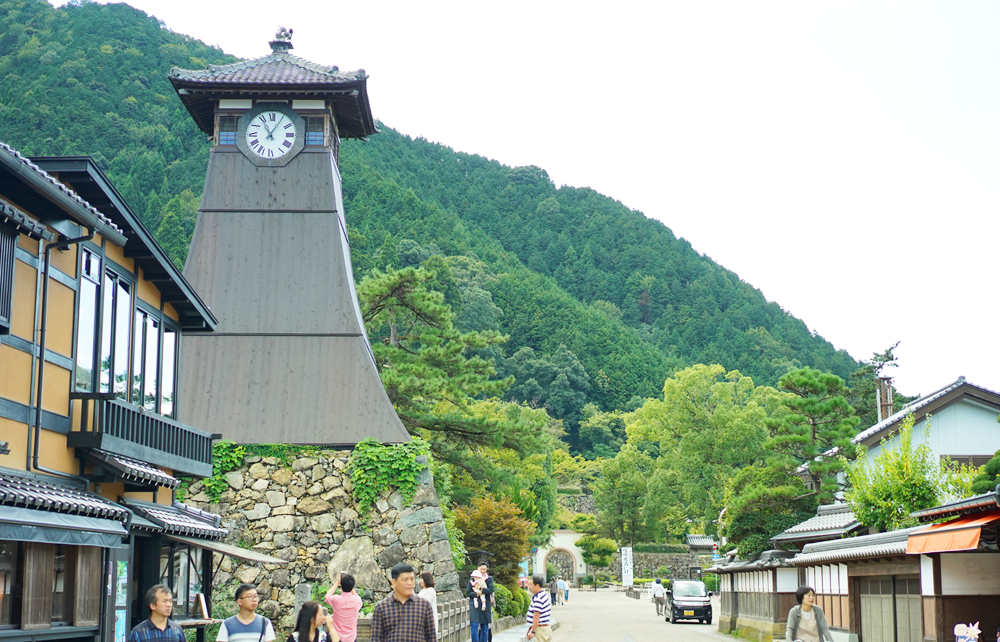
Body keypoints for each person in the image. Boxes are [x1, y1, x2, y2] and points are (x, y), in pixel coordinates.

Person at [370, 562, 436, 642]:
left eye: (412, 579)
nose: (409, 583)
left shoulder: (424, 606)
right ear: (394, 582)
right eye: (405, 580)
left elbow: (431, 638)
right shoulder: (381, 608)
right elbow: (376, 639)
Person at [325, 571, 363, 642]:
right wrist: (350, 586)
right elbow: (359, 601)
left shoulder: (336, 600)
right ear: (353, 586)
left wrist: (337, 583)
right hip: (351, 638)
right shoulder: (356, 601)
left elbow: (327, 597)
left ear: (341, 586)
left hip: (336, 637)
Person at [466, 562, 494, 642]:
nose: (483, 571)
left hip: (485, 605)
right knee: (474, 625)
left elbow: (490, 590)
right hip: (474, 605)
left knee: (484, 627)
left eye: (484, 569)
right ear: (478, 569)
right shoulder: (472, 579)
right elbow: (468, 592)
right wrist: (476, 594)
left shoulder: (489, 579)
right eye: (481, 569)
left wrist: (481, 589)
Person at [524, 575, 552, 642]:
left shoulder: (538, 598)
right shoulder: (543, 595)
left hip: (539, 629)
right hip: (545, 628)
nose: (529, 587)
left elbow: (536, 616)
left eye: (530, 585)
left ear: (537, 585)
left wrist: (533, 631)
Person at [416, 572, 439, 641]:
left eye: (421, 579)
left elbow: (425, 604)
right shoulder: (422, 591)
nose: (420, 581)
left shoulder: (431, 591)